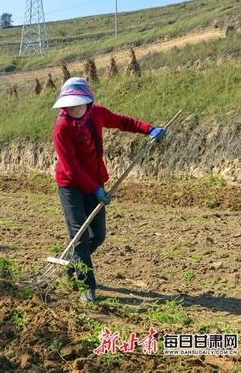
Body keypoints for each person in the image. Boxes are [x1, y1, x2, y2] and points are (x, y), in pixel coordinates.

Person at [52, 77, 166, 302]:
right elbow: (71, 168)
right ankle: (87, 286)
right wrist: (95, 190)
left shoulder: (98, 114)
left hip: (95, 181)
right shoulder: (62, 128)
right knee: (80, 236)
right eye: (68, 104)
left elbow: (123, 122)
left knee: (99, 235)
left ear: (87, 101)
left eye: (76, 103)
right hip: (71, 186)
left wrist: (149, 129)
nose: (72, 108)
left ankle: (72, 261)